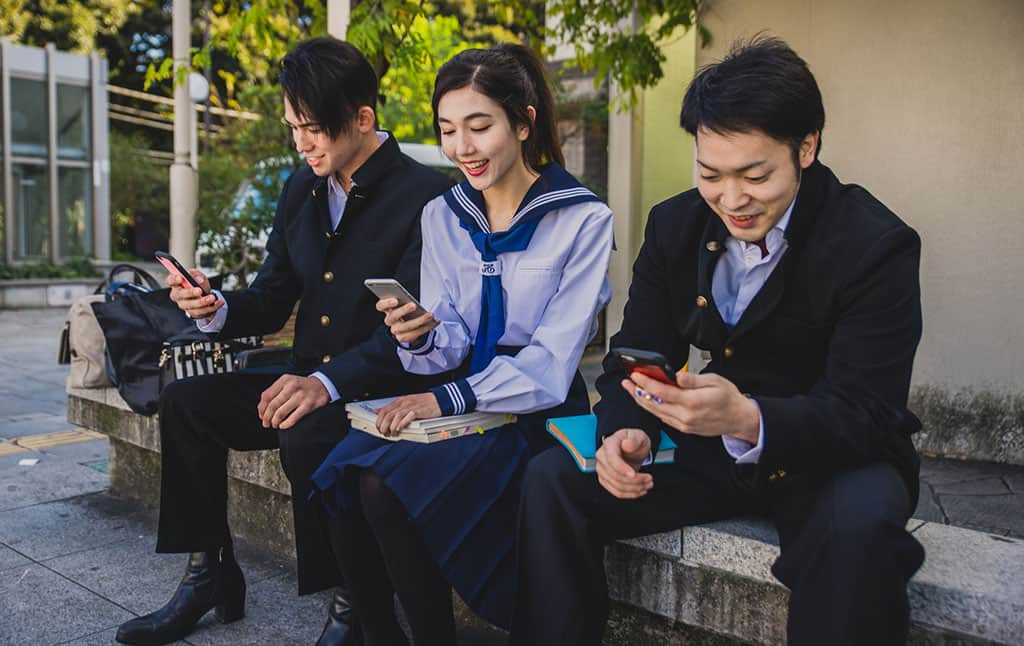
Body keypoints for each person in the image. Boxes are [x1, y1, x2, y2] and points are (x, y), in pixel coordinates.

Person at [512, 36, 926, 646]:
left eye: (755, 175)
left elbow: (869, 411)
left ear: (806, 146)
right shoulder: (675, 223)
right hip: (711, 446)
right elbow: (633, 354)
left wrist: (750, 416)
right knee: (553, 481)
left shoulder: (875, 244)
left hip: (833, 454)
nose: (731, 199)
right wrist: (628, 430)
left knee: (859, 535)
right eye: (710, 174)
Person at [114, 37, 451, 646]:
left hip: (376, 391)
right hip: (302, 378)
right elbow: (271, 297)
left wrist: (323, 384)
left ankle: (352, 602)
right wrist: (216, 307)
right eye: (293, 126)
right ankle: (208, 575)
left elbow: (407, 336)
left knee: (306, 430)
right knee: (188, 402)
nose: (301, 143)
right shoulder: (302, 188)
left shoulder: (425, 198)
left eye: (313, 128)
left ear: (363, 118)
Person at [309, 43, 615, 645]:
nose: (462, 148)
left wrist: (443, 398)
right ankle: (387, 634)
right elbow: (449, 342)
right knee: (343, 473)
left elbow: (552, 365)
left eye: (480, 126)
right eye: (448, 130)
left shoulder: (582, 220)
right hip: (465, 401)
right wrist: (420, 336)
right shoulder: (443, 216)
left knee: (384, 481)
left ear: (523, 123)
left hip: (538, 414)